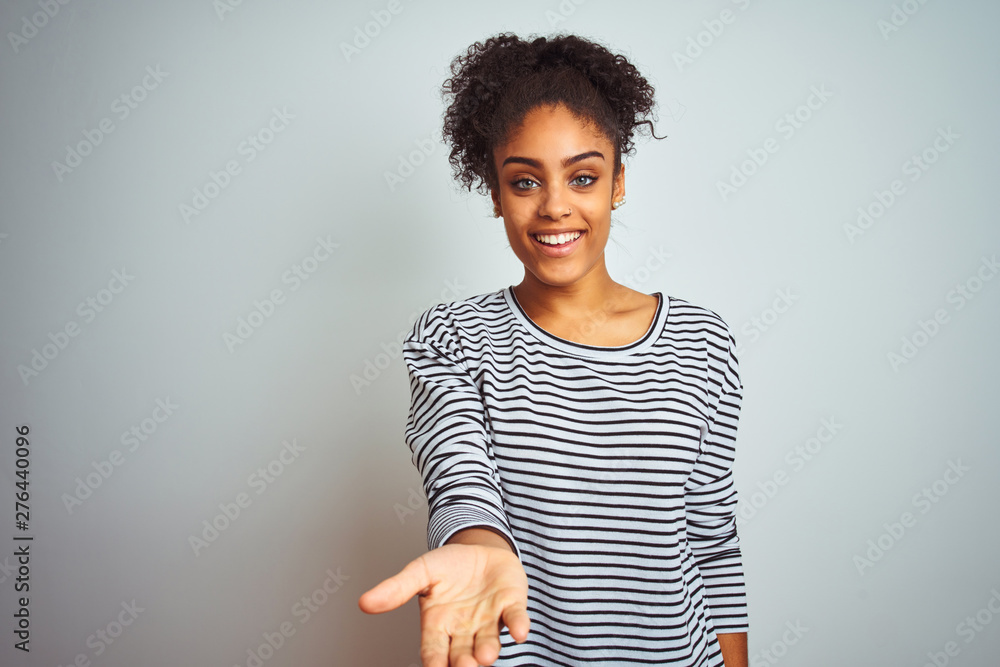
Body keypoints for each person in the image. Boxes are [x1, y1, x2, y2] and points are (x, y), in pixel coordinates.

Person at [360, 32, 749, 667]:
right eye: (524, 182)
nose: (555, 207)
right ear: (494, 194)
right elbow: (459, 479)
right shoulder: (452, 337)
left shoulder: (702, 341)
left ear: (617, 183)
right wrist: (479, 544)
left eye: (584, 176)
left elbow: (712, 541)